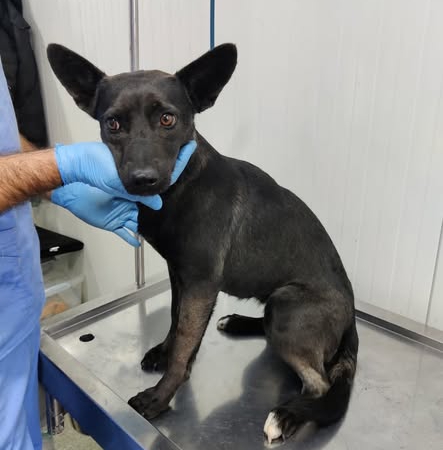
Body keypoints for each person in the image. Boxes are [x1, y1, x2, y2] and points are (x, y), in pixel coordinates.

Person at [0, 58, 195, 450]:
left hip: (14, 300)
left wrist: (56, 186)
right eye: (115, 124)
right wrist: (59, 167)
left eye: (166, 120)